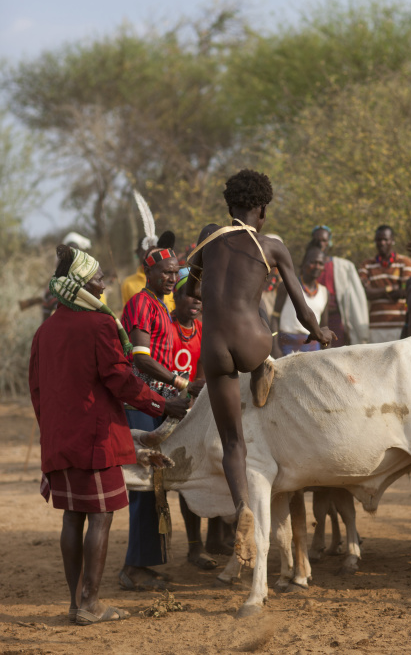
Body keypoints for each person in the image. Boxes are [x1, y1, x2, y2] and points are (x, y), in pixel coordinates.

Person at [186, 169, 335, 568]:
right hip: (253, 340)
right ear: (262, 210)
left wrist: (209, 283)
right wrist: (321, 334)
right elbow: (303, 310)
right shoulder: (273, 246)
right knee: (259, 347)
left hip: (214, 350)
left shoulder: (209, 236)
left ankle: (242, 509)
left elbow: (189, 290)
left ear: (228, 205)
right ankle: (263, 369)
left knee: (233, 442)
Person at [29, 245, 184, 626]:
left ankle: (76, 602)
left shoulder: (45, 329)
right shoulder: (99, 325)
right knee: (100, 516)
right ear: (81, 284)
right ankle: (90, 603)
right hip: (94, 438)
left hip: (60, 437)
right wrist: (162, 405)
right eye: (97, 278)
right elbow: (121, 380)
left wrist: (52, 427)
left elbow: (36, 388)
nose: (103, 284)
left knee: (72, 516)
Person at [119, 247, 210, 590]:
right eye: (166, 273)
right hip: (142, 403)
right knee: (144, 485)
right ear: (149, 273)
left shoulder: (162, 305)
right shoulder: (142, 303)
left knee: (156, 484)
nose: (172, 279)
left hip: (158, 402)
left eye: (176, 273)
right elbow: (141, 359)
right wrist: (182, 384)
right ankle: (132, 568)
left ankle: (144, 563)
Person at [311, 225, 369, 346]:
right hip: (314, 321)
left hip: (336, 320)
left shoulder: (343, 267)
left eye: (324, 240)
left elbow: (355, 300)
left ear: (329, 242)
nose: (320, 244)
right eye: (317, 240)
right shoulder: (309, 266)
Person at [358, 225, 411, 343]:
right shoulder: (366, 265)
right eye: (379, 240)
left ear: (392, 241)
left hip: (399, 324)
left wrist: (377, 291)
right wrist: (391, 288)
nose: (382, 243)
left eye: (385, 239)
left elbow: (405, 291)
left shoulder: (405, 262)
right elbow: (365, 293)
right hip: (375, 327)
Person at [271, 245, 329, 356]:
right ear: (304, 264)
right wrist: (274, 346)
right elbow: (275, 317)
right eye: (313, 262)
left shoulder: (324, 292)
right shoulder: (287, 285)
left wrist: (327, 351)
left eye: (321, 264)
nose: (317, 266)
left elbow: (323, 326)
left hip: (313, 349)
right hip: (286, 346)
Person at [121, 232, 176, 311]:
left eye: (152, 254)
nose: (148, 258)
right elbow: (128, 312)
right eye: (144, 253)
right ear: (137, 253)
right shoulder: (128, 283)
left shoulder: (167, 279)